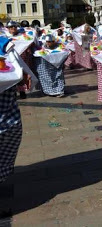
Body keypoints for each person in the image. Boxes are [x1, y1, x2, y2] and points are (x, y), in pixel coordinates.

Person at [0, 36, 32, 217]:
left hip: (7, 114)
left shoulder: (4, 43)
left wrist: (23, 76)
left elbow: (16, 67)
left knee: (6, 146)